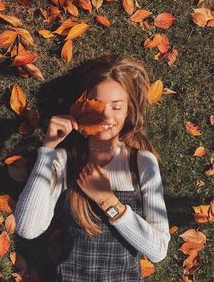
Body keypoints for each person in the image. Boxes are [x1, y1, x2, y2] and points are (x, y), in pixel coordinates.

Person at [15, 55, 171, 282]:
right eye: (97, 105)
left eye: (117, 107)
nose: (107, 116)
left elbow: (158, 251)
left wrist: (108, 201)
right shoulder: (62, 160)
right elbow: (27, 228)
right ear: (80, 108)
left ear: (128, 111)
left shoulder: (142, 163)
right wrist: (48, 148)